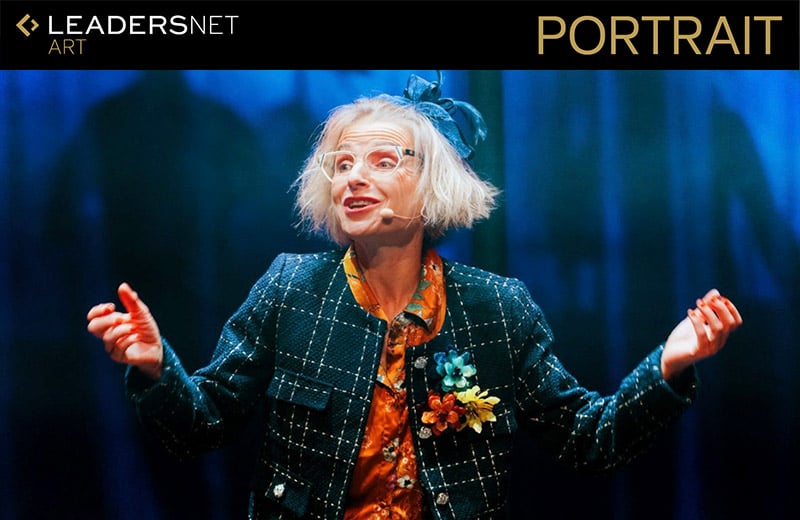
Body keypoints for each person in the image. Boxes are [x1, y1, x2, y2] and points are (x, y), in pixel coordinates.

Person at [86, 71, 742, 520]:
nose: (353, 178)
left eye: (381, 162)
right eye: (342, 164)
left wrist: (668, 366)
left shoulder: (497, 307)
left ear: (433, 183)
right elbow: (202, 425)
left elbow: (587, 439)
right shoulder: (290, 289)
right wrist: (156, 367)